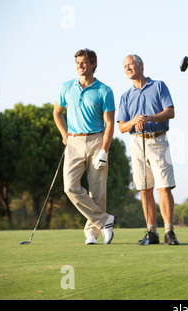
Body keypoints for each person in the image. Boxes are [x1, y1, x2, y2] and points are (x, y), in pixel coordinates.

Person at [53, 48, 116, 245]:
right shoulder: (66, 87)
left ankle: (91, 233)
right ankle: (105, 220)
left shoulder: (105, 91)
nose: (80, 66)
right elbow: (57, 112)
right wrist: (64, 134)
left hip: (97, 140)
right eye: (78, 63)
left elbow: (110, 124)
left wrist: (104, 149)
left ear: (93, 64)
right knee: (70, 186)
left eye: (84, 63)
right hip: (73, 141)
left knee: (97, 189)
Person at [117, 54, 179, 245]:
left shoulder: (159, 86)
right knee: (145, 189)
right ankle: (151, 232)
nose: (128, 68)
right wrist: (133, 122)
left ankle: (169, 232)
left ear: (141, 65)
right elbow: (121, 127)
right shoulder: (125, 96)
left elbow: (171, 112)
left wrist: (149, 118)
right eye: (125, 66)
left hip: (158, 140)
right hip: (137, 143)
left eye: (131, 64)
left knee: (164, 187)